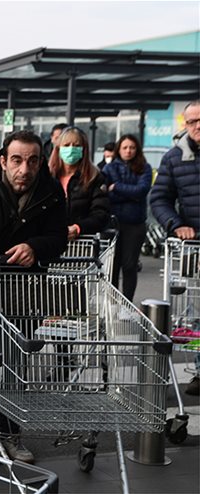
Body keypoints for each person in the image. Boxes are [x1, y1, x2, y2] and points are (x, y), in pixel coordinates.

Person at [0, 130, 68, 463]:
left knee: (16, 363)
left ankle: (10, 434)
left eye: (33, 160)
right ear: (4, 161)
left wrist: (34, 247)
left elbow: (58, 238)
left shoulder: (50, 192)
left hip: (26, 290)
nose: (25, 169)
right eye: (18, 160)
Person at [150, 100, 200, 395]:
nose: (197, 126)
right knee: (194, 314)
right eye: (191, 121)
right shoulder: (174, 158)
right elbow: (159, 199)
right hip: (194, 248)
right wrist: (175, 224)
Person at [103, 134, 152, 302]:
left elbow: (142, 191)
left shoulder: (145, 168)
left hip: (135, 224)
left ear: (137, 149)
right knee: (113, 266)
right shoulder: (109, 169)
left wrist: (117, 187)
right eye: (125, 147)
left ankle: (127, 302)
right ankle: (113, 302)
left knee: (130, 266)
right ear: (119, 149)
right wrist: (129, 193)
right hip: (114, 223)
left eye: (132, 147)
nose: (128, 151)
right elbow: (106, 196)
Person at [47, 127, 110, 240]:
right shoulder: (48, 177)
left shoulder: (94, 178)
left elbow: (101, 213)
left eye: (76, 146)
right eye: (66, 145)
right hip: (51, 242)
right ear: (58, 149)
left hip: (82, 244)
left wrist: (78, 227)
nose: (71, 149)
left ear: (83, 149)